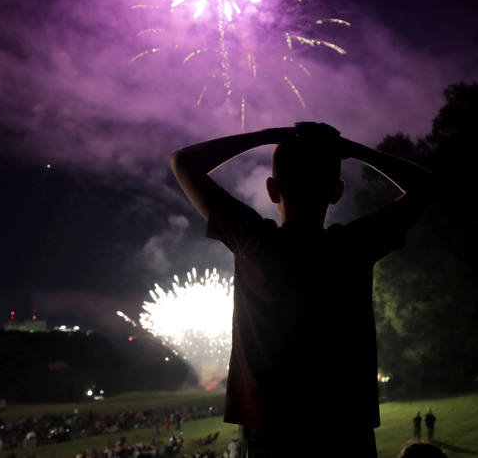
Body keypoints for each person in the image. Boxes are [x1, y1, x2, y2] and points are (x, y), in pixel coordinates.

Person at [170, 123, 434, 458]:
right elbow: (427, 185)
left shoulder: (254, 243)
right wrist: (353, 149)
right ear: (337, 192)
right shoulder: (353, 247)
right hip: (346, 430)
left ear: (272, 189)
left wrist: (268, 135)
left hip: (272, 432)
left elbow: (183, 162)